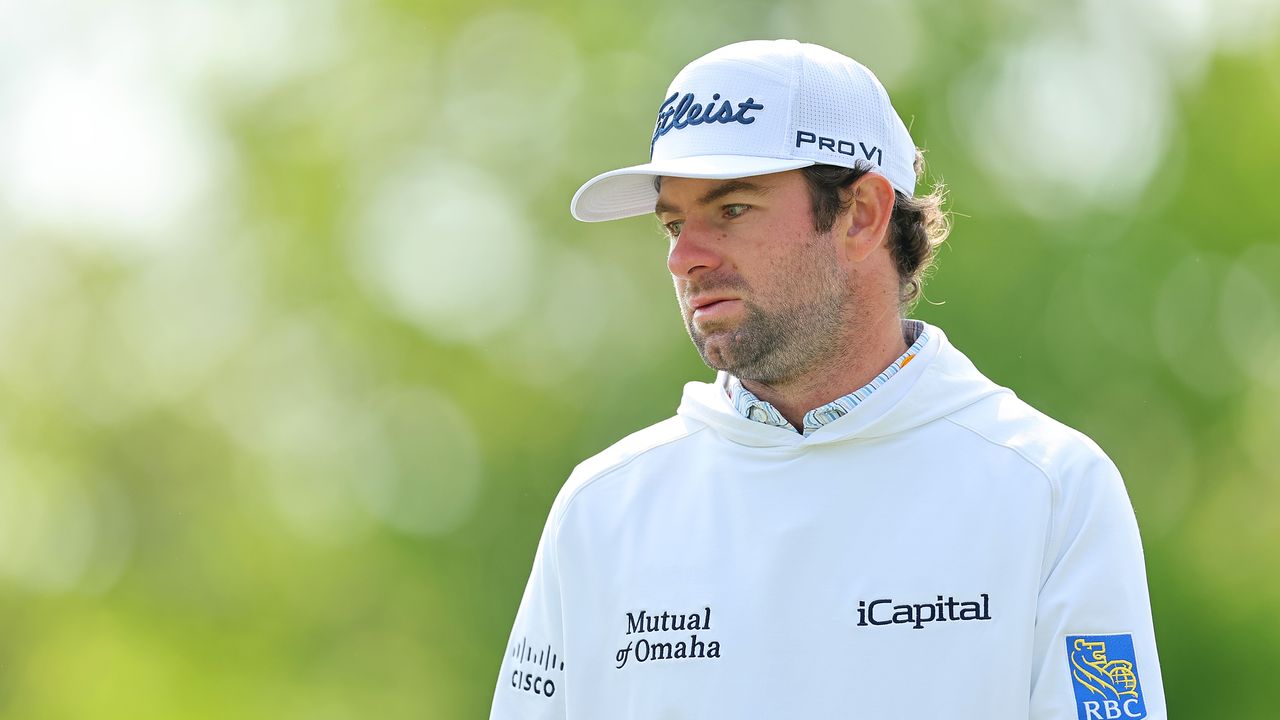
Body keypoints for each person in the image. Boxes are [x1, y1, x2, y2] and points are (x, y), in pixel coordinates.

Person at [489, 39, 1166, 720]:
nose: (683, 259)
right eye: (672, 224)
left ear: (862, 215)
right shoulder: (601, 510)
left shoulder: (1050, 489)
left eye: (730, 211)